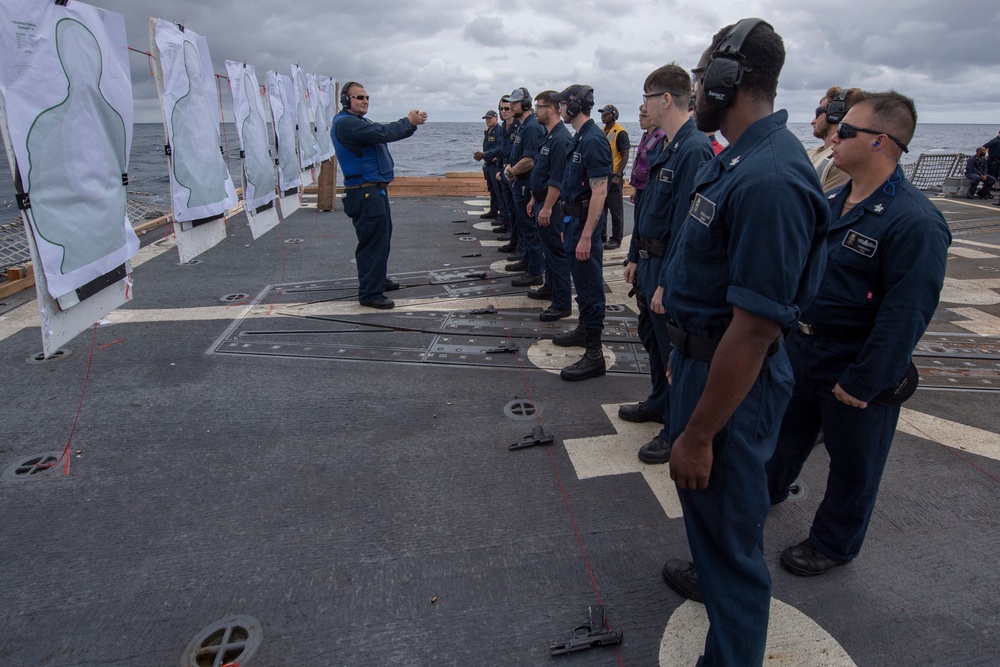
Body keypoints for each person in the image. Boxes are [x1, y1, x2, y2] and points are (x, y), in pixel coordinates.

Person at [659, 19, 829, 666]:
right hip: (704, 364)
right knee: (712, 528)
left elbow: (755, 328)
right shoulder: (738, 158)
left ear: (729, 78)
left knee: (732, 552)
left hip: (731, 382)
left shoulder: (769, 180)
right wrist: (683, 355)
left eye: (704, 76)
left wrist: (700, 432)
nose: (698, 87)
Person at [765, 91, 951, 577]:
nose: (833, 135)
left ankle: (834, 542)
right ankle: (767, 491)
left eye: (846, 130)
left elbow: (906, 315)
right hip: (803, 347)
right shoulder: (831, 200)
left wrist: (865, 381)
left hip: (854, 361)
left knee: (854, 464)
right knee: (782, 437)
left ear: (880, 143)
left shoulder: (915, 222)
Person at [620, 65, 714, 468]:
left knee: (673, 352)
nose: (642, 105)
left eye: (646, 97)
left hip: (666, 267)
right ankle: (659, 403)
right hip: (648, 260)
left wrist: (667, 285)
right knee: (653, 342)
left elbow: (684, 225)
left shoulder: (693, 148)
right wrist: (632, 255)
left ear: (665, 99)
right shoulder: (665, 145)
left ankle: (674, 428)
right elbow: (647, 206)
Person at [330, 82, 427, 309]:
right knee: (372, 242)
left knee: (381, 239)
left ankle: (377, 280)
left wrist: (409, 126)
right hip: (364, 192)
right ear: (346, 100)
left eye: (366, 97)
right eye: (358, 97)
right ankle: (370, 294)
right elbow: (382, 132)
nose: (364, 101)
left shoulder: (359, 123)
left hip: (373, 190)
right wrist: (408, 122)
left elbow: (383, 133)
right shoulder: (347, 124)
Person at [550, 84, 612, 381]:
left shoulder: (594, 139)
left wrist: (587, 234)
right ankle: (584, 330)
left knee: (589, 286)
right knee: (581, 281)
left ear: (573, 106)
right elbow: (576, 189)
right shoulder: (581, 138)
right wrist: (567, 226)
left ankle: (594, 354)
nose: (560, 109)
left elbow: (600, 191)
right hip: (573, 223)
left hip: (584, 227)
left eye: (562, 104)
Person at [526, 90, 573, 320]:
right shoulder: (548, 136)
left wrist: (546, 207)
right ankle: (550, 288)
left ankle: (562, 303)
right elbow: (540, 172)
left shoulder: (561, 139)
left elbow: (557, 179)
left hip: (552, 206)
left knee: (556, 254)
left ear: (551, 109)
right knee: (547, 252)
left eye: (539, 106)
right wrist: (535, 199)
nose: (536, 111)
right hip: (542, 200)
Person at [503, 87, 546, 287]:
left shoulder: (531, 127)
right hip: (519, 183)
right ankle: (528, 261)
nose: (510, 106)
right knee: (523, 226)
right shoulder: (523, 126)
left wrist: (511, 172)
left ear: (525, 104)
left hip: (526, 184)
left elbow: (529, 160)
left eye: (514, 102)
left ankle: (536, 271)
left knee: (530, 229)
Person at [806, 86, 864, 192]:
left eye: (818, 113)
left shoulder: (839, 160)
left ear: (835, 113)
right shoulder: (811, 153)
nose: (813, 121)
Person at [598, 104, 629, 249]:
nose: (603, 115)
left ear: (614, 115)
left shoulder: (620, 132)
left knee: (616, 210)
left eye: (606, 113)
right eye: (602, 113)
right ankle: (602, 235)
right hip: (603, 176)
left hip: (613, 176)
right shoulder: (602, 131)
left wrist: (618, 175)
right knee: (601, 207)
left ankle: (616, 238)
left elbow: (625, 155)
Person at [496, 100, 521, 253]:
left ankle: (518, 243)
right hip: (505, 169)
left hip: (515, 171)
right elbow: (501, 149)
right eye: (501, 109)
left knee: (518, 212)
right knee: (510, 208)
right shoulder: (502, 128)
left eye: (507, 108)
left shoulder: (519, 126)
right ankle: (513, 239)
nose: (504, 111)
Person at [473, 109, 501, 218]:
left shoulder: (499, 130)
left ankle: (502, 214)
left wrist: (484, 154)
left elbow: (499, 147)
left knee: (498, 190)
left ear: (496, 118)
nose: (488, 120)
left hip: (495, 164)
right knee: (492, 189)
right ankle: (493, 210)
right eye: (486, 118)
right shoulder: (489, 131)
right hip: (488, 164)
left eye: (490, 118)